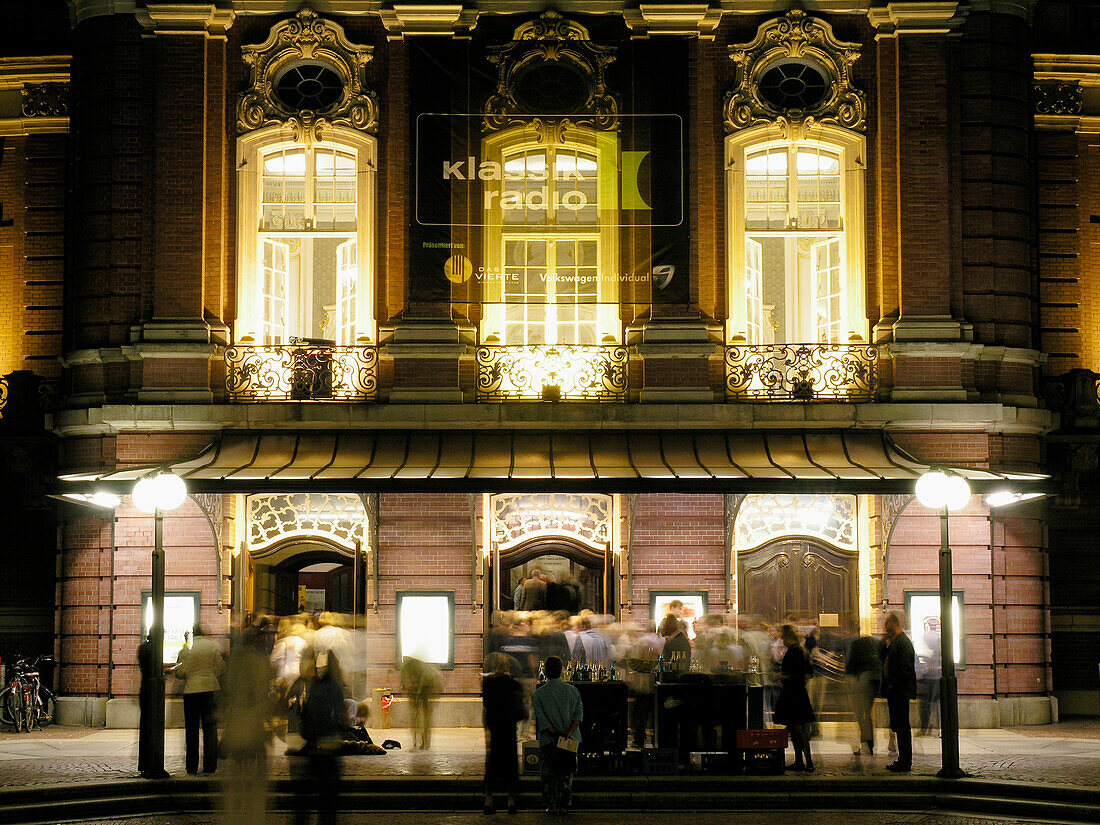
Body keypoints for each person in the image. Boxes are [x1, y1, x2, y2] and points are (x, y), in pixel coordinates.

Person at [222, 621, 277, 825]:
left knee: (237, 776)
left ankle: (236, 815)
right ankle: (253, 816)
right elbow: (263, 699)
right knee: (256, 779)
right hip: (253, 728)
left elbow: (226, 696)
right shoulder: (261, 663)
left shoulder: (233, 662)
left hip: (236, 727)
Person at [295, 649, 346, 825]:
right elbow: (341, 718)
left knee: (305, 803)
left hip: (316, 747)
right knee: (329, 802)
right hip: (331, 746)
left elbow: (309, 716)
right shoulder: (338, 687)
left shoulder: (315, 686)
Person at [533, 656, 582, 816]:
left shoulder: (540, 693)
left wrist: (556, 732)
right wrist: (568, 733)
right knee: (566, 774)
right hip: (570, 740)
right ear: (561, 671)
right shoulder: (573, 690)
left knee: (549, 774)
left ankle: (551, 805)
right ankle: (564, 805)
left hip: (549, 740)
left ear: (545, 671)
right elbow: (578, 716)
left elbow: (543, 721)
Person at [174, 624, 226, 775]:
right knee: (210, 730)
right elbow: (221, 668)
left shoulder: (187, 650)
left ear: (192, 633)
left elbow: (180, 673)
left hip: (191, 691)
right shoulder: (212, 647)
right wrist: (209, 674)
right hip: (210, 689)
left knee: (192, 730)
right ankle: (210, 766)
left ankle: (192, 766)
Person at [482, 653, 527, 815]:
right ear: (508, 667)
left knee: (492, 763)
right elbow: (522, 707)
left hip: (494, 728)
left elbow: (486, 705)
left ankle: (488, 800)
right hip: (509, 729)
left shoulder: (487, 683)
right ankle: (511, 801)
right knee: (511, 764)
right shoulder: (513, 684)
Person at [774, 624, 815, 772]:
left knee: (797, 729)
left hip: (793, 695)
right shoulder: (801, 651)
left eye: (783, 637)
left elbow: (795, 674)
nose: (781, 640)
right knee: (797, 729)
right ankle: (801, 761)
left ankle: (807, 761)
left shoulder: (794, 652)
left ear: (788, 637)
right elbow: (808, 673)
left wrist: (780, 676)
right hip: (799, 694)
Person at [881, 612, 917, 772]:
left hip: (900, 691)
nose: (884, 628)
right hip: (896, 690)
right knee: (899, 725)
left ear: (894, 624)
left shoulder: (903, 643)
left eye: (887, 624)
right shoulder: (895, 642)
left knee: (902, 726)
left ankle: (905, 761)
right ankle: (903, 759)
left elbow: (905, 668)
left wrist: (893, 684)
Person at [137, 632, 168, 779]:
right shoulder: (154, 650)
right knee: (153, 724)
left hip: (144, 688)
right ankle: (153, 763)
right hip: (152, 691)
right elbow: (155, 668)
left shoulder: (142, 648)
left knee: (145, 726)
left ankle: (144, 764)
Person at [846, 632, 883, 755]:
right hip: (873, 680)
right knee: (866, 712)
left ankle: (866, 741)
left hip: (860, 679)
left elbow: (851, 664)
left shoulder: (855, 644)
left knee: (861, 713)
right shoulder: (877, 643)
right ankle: (868, 742)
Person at [400, 655, 444, 750]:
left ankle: (424, 742)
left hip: (427, 691)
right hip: (420, 692)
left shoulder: (422, 670)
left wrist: (417, 691)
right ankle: (418, 742)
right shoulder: (409, 668)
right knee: (417, 717)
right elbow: (404, 682)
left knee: (424, 718)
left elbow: (424, 681)